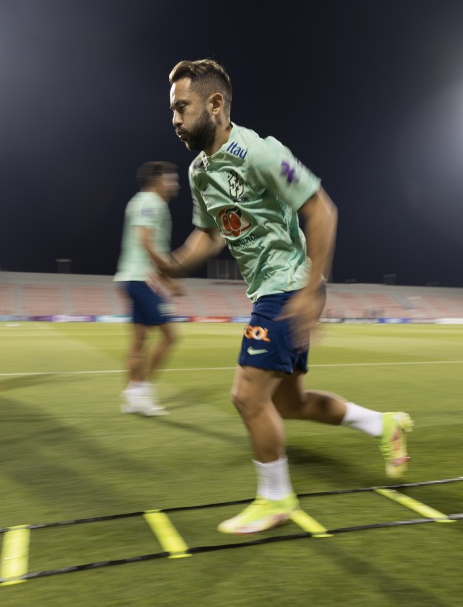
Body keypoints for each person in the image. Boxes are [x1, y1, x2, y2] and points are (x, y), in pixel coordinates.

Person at [162, 59, 413, 534]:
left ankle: (276, 499)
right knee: (290, 404)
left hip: (289, 286)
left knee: (246, 396)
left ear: (215, 104)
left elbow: (322, 211)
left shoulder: (259, 152)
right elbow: (210, 234)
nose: (174, 119)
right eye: (172, 110)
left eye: (182, 107)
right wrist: (174, 264)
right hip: (271, 290)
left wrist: (311, 289)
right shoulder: (199, 171)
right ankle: (384, 425)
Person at [113, 161, 182, 416]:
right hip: (142, 279)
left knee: (139, 340)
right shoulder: (152, 203)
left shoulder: (137, 201)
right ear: (157, 180)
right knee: (170, 336)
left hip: (130, 276)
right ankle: (143, 391)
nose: (175, 183)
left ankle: (132, 395)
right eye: (171, 178)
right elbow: (145, 240)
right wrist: (168, 274)